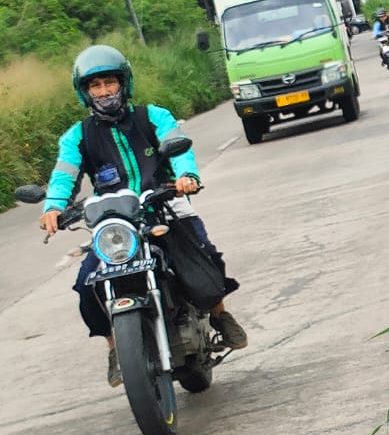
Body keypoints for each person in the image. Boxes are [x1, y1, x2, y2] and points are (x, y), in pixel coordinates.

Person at [39, 45, 248, 387]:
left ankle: (220, 315)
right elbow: (65, 174)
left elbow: (179, 148)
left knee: (203, 253)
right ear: (85, 92)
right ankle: (115, 348)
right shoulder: (78, 136)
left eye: (109, 82)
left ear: (124, 83)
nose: (103, 91)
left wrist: (186, 177)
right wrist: (53, 206)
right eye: (95, 86)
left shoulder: (154, 116)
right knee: (87, 283)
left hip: (164, 204)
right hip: (114, 222)